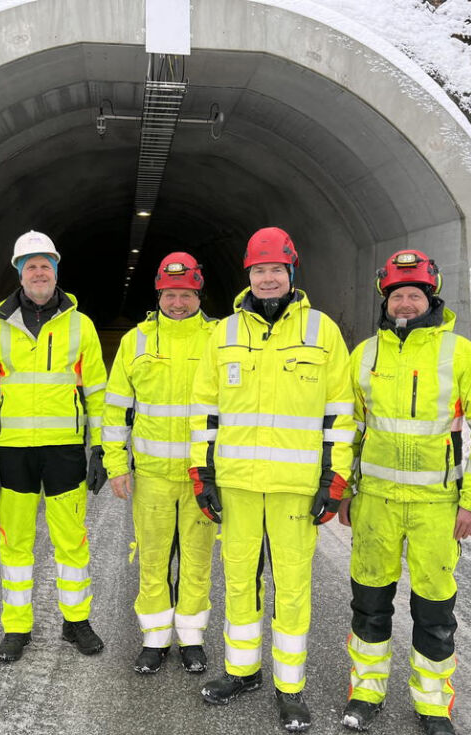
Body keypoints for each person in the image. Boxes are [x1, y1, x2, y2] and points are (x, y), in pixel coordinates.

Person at [189, 227, 356, 732]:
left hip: (294, 487)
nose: (267, 278)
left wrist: (335, 477)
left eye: (275, 270)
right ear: (249, 275)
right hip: (237, 485)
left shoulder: (322, 331)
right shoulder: (224, 333)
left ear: (291, 273)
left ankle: (290, 688)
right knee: (239, 579)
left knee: (291, 586)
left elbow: (341, 413)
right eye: (259, 270)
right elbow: (204, 412)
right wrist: (203, 473)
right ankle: (242, 671)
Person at [338, 250, 471, 735]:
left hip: (438, 506)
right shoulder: (364, 355)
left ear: (430, 298)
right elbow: (348, 429)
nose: (406, 303)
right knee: (369, 603)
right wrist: (346, 490)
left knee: (434, 611)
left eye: (414, 294)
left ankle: (433, 704)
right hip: (375, 504)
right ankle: (366, 690)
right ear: (385, 301)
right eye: (397, 295)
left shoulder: (461, 355)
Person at [0, 230, 108, 663]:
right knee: (14, 542)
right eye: (31, 266)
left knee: (71, 539)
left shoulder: (80, 325)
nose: (39, 272)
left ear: (56, 271)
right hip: (12, 453)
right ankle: (17, 626)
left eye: (46, 265)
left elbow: (98, 393)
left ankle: (76, 621)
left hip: (64, 450)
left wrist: (100, 448)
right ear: (19, 273)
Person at [102, 252, 218, 675]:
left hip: (200, 476)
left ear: (198, 294)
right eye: (170, 294)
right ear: (159, 294)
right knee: (151, 558)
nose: (178, 303)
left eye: (186, 294)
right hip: (151, 476)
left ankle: (191, 637)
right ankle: (154, 638)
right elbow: (116, 409)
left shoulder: (220, 338)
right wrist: (116, 463)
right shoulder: (136, 341)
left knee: (197, 558)